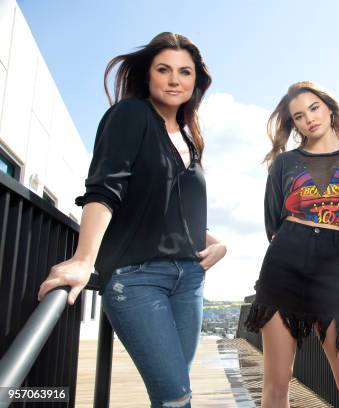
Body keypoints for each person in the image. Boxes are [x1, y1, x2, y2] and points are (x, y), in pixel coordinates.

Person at [37, 32, 227, 408]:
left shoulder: (189, 140)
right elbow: (105, 190)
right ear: (148, 75)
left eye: (185, 72)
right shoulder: (131, 115)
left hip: (189, 280)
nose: (175, 80)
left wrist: (216, 243)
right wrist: (83, 259)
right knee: (176, 397)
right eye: (164, 69)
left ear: (195, 82)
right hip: (137, 278)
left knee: (175, 391)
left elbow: (173, 211)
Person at [245, 81, 339, 407]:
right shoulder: (284, 164)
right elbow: (272, 222)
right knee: (276, 385)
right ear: (295, 124)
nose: (309, 119)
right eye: (299, 116)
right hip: (283, 266)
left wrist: (327, 236)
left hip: (333, 269)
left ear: (329, 107)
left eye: (314, 108)